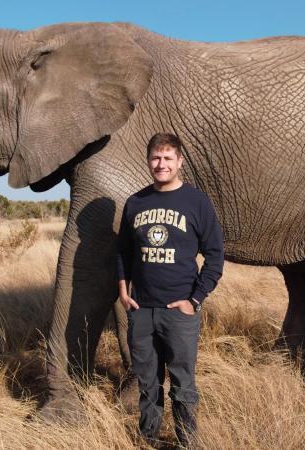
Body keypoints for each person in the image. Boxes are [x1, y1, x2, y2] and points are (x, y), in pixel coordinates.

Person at [116, 132, 225, 447]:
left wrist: (195, 300)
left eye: (167, 158)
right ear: (148, 161)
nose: (160, 164)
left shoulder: (197, 202)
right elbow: (123, 252)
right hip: (141, 311)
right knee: (148, 385)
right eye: (155, 158)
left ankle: (187, 442)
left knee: (183, 385)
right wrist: (124, 292)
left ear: (179, 162)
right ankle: (148, 440)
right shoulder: (136, 203)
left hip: (179, 313)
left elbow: (215, 255)